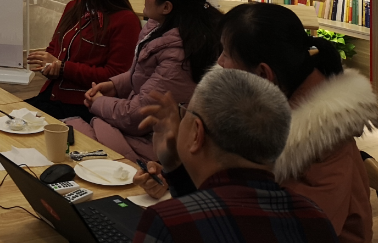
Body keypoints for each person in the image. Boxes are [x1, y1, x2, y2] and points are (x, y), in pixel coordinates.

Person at [136, 3, 378, 243]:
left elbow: (275, 228)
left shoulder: (323, 140)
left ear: (263, 74)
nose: (219, 62)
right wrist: (175, 169)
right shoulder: (253, 106)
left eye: (226, 54)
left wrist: (181, 179)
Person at [132, 69, 338, 243]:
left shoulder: (166, 224)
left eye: (185, 112)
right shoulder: (316, 220)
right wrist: (174, 167)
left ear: (197, 133)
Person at [65, 0, 221, 160]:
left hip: (156, 143)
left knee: (71, 143)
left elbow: (138, 115)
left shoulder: (181, 53)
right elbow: (143, 74)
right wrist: (115, 85)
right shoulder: (159, 27)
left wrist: (98, 102)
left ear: (166, 6)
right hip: (137, 126)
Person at [25, 0, 141, 122]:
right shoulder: (73, 7)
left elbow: (116, 77)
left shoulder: (125, 21)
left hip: (86, 107)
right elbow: (54, 48)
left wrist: (63, 68)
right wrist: (48, 66)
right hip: (51, 96)